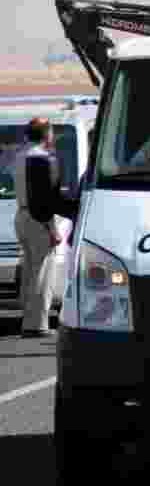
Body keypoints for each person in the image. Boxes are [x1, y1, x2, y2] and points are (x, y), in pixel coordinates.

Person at [13, 118, 77, 338]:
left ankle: (27, 320)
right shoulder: (44, 159)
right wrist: (53, 227)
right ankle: (37, 325)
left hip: (21, 215)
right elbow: (46, 198)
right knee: (43, 273)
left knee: (30, 271)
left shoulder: (18, 156)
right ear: (47, 135)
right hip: (38, 219)